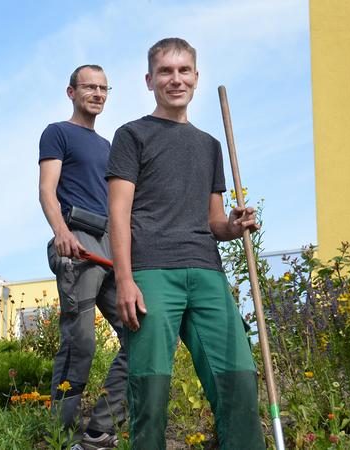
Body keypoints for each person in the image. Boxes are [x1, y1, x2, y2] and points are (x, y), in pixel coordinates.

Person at [105, 38, 265, 449]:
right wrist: (125, 279)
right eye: (165, 72)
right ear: (149, 80)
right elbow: (118, 214)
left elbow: (214, 220)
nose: (175, 79)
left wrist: (234, 224)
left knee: (239, 380)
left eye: (183, 71)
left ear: (196, 78)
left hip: (207, 271)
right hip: (153, 272)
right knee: (151, 390)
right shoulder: (132, 135)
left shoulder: (210, 145)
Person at [38, 64, 128, 450]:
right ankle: (61, 436)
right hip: (77, 243)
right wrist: (61, 232)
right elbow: (46, 189)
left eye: (103, 88)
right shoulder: (58, 133)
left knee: (140, 338)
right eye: (89, 87)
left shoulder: (109, 147)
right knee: (81, 344)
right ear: (71, 91)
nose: (97, 93)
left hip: (111, 250)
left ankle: (99, 432)